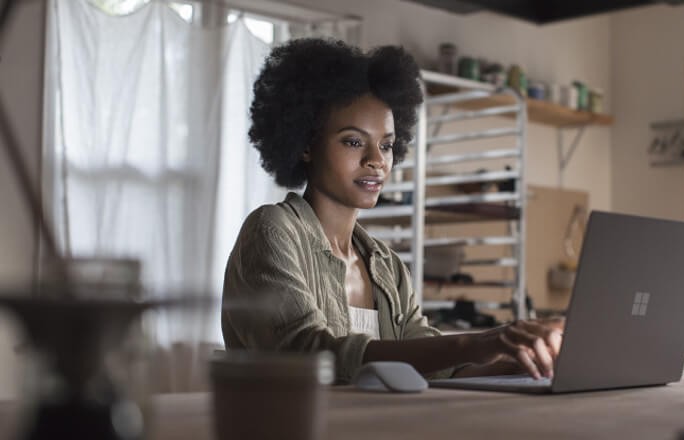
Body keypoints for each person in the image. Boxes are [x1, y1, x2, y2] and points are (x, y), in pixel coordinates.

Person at [221, 38, 562, 382]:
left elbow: (441, 369)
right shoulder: (272, 231)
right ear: (306, 145)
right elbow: (311, 354)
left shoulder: (386, 265)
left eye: (386, 145)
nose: (377, 161)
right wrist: (476, 342)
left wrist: (533, 361)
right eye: (354, 142)